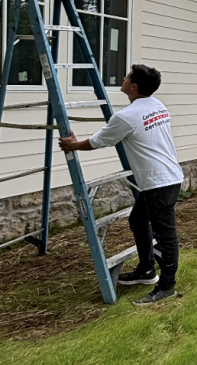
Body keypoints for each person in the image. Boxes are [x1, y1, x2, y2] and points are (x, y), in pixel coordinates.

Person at [59, 63, 184, 305]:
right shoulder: (157, 106)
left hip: (159, 183)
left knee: (166, 235)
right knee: (138, 220)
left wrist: (73, 145)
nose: (123, 78)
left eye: (127, 76)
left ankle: (166, 286)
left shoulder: (127, 116)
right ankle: (146, 270)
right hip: (165, 178)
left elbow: (98, 141)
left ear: (134, 86)